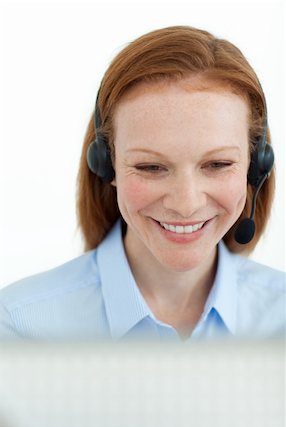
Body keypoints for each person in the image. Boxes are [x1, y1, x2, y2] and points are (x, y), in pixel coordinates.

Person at [0, 25, 284, 341]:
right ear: (106, 165)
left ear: (256, 166)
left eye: (217, 164)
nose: (186, 203)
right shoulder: (21, 328)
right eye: (150, 167)